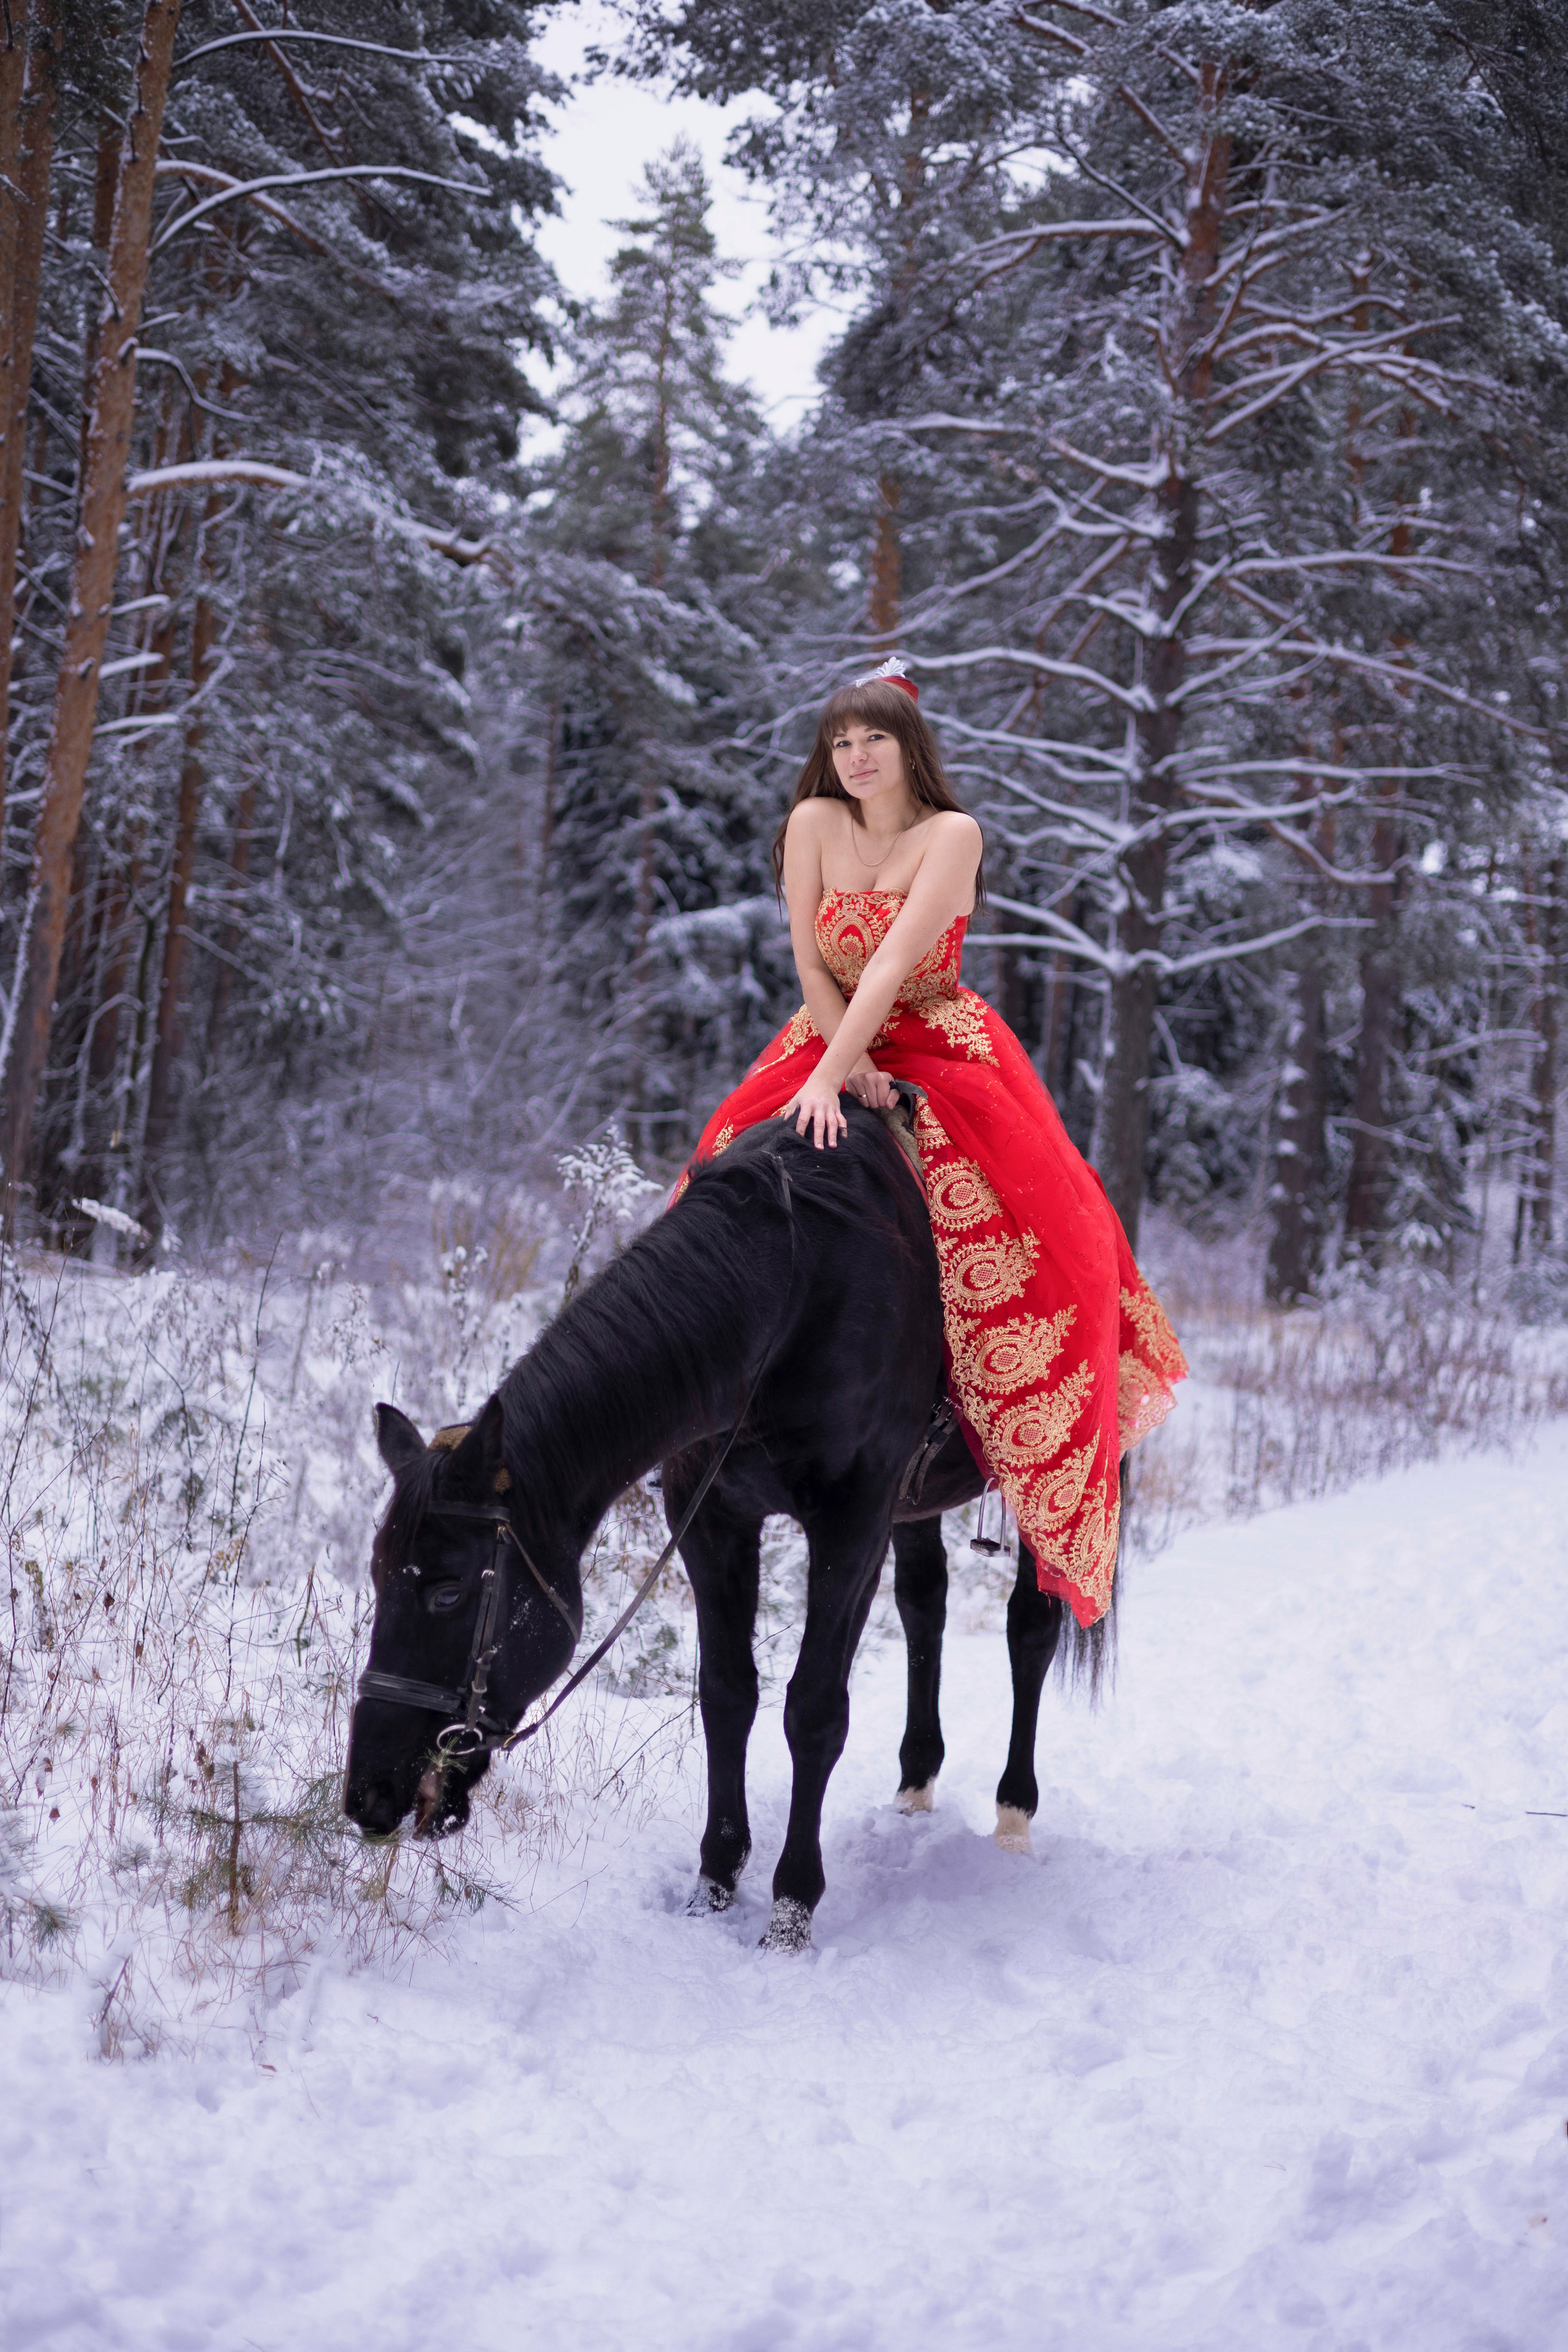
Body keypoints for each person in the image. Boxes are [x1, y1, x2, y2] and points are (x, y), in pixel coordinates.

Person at [676, 658, 1186, 1629]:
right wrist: (831, 1059)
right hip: (826, 1032)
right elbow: (807, 958)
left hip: (938, 1037)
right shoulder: (811, 825)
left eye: (874, 740)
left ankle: (988, 1423)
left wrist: (844, 1071)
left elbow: (898, 963)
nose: (856, 758)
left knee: (1028, 1231)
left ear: (911, 748)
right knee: (714, 1182)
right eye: (840, 742)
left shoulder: (953, 833)